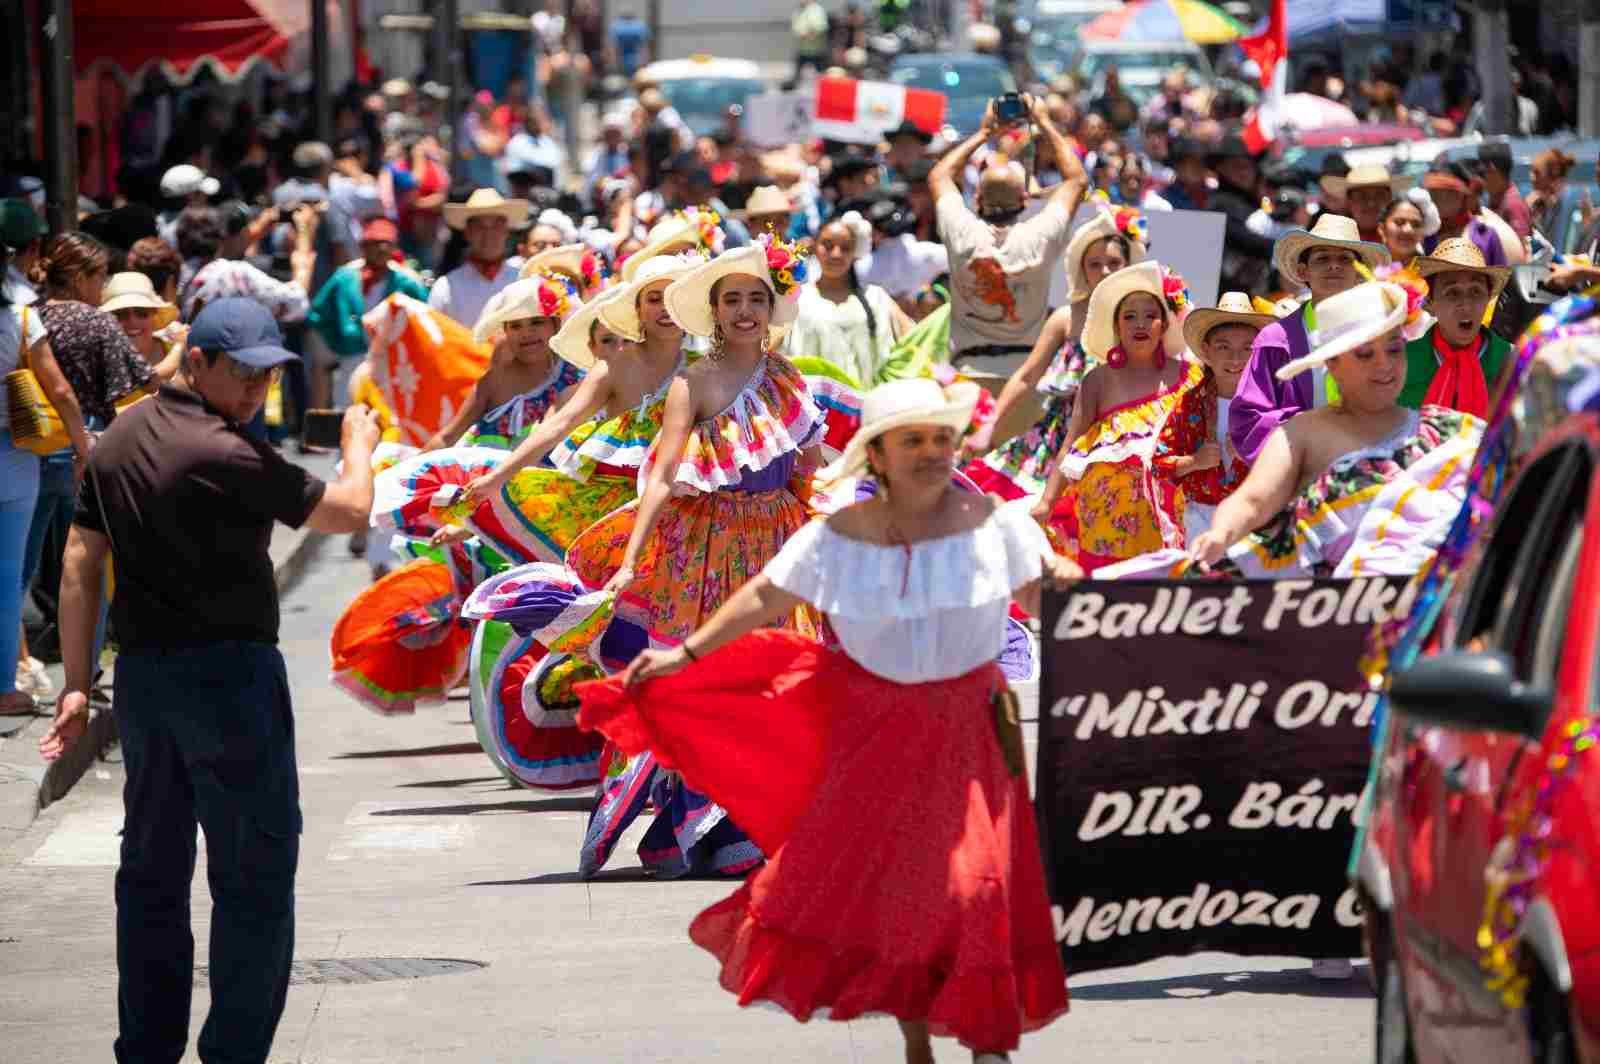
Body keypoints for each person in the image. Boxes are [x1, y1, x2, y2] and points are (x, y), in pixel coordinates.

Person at [577, 377, 1074, 1064]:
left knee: (976, 885)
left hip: (974, 733)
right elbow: (767, 595)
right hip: (875, 737)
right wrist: (685, 655)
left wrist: (1077, 589)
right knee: (906, 897)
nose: (931, 452)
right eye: (912, 440)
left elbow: (1043, 597)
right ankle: (918, 1041)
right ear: (878, 455)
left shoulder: (999, 523)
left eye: (941, 439)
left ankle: (988, 1044)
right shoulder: (836, 537)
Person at [38, 298, 381, 1063]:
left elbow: (80, 562)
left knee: (152, 876)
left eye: (268, 376)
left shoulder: (119, 439)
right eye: (243, 374)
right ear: (197, 362)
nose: (257, 391)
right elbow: (351, 510)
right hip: (229, 681)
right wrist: (358, 445)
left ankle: (147, 1048)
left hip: (147, 683)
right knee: (255, 878)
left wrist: (76, 682)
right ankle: (232, 1051)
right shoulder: (224, 451)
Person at [564, 242, 825, 878]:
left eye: (756, 298)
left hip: (776, 540)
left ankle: (755, 824)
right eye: (732, 300)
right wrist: (631, 558)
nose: (745, 310)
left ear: (772, 308)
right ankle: (704, 826)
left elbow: (808, 464)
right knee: (710, 680)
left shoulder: (787, 376)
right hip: (705, 549)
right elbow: (661, 476)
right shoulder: (693, 382)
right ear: (714, 311)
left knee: (778, 679)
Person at [1189, 281, 1482, 581]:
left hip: (1433, 598)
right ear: (1333, 363)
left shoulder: (1445, 433)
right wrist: (1220, 534)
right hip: (1337, 603)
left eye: (1394, 349)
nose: (1385, 365)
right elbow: (1253, 500)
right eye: (1365, 354)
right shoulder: (1301, 434)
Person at [964, 205, 1147, 501]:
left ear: (1127, 266)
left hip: (1115, 446)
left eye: (1113, 262)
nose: (1104, 271)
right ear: (1082, 270)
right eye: (1094, 264)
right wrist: (989, 425)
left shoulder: (1145, 323)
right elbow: (1027, 376)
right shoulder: (1066, 318)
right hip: (1053, 443)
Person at [1034, 261, 1197, 569]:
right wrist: (1046, 503)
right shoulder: (1097, 381)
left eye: (1150, 316)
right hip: (1101, 526)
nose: (1140, 324)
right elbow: (1070, 445)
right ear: (1117, 327)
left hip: (1170, 520)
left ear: (1164, 325)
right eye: (1129, 316)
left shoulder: (1191, 378)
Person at [930, 95, 1087, 374]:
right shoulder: (1039, 236)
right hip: (1025, 376)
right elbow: (1077, 181)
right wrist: (1044, 122)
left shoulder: (961, 231)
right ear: (1025, 200)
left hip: (969, 373)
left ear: (977, 198)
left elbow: (939, 176)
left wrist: (984, 133)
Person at [2, 236, 91, 715]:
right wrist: (82, 447)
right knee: (8, 574)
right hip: (13, 454)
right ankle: (4, 688)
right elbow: (58, 388)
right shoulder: (20, 316)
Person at [1229, 214, 1390, 465]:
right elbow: (1248, 421)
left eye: (1345, 259)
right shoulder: (1275, 339)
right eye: (1322, 258)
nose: (1334, 266)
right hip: (1300, 470)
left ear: (1360, 273)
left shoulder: (1382, 335)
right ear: (1303, 271)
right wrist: (1309, 427)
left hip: (1369, 471)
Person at [423, 273, 585, 452]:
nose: (526, 333)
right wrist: (407, 468)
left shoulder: (577, 376)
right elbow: (449, 436)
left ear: (556, 325)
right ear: (505, 332)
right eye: (515, 326)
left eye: (536, 322)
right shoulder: (494, 381)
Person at [1165, 293, 1273, 543]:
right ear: (1206, 350)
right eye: (1223, 347)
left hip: (1254, 520)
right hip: (1197, 522)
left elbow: (1293, 462)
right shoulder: (1189, 404)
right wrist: (1194, 461)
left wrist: (1252, 455)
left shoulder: (1272, 406)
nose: (1235, 359)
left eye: (1247, 349)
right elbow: (1159, 463)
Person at [782, 214, 914, 386]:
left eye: (845, 248)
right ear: (814, 247)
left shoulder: (875, 297)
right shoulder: (797, 299)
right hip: (817, 400)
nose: (836, 254)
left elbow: (912, 337)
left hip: (870, 399)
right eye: (828, 245)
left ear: (855, 253)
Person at [306, 218, 428, 381]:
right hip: (352, 359)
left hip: (393, 363)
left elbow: (425, 321)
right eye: (375, 243)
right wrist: (339, 344)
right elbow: (318, 316)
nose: (382, 249)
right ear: (363, 246)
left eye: (387, 243)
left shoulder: (407, 281)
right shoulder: (345, 277)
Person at [1400, 239, 1512, 415]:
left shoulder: (1511, 364)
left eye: (1475, 291)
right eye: (1452, 293)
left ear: (1488, 298)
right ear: (1430, 303)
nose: (1466, 306)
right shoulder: (1402, 364)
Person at [177, 205, 315, 323]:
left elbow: (229, 249)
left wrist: (262, 225)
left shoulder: (177, 272)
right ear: (221, 238)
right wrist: (304, 238)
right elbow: (296, 300)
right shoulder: (234, 274)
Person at [428, 189, 529, 328]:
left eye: (496, 226)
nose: (488, 234)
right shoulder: (446, 288)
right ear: (467, 233)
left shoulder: (523, 281)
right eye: (479, 227)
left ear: (507, 231)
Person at [1206, 136, 1276, 296]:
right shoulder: (1219, 203)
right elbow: (1243, 238)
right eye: (1237, 166)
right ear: (1221, 169)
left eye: (1248, 167)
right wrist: (1283, 247)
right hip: (1232, 292)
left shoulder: (1256, 200)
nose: (1245, 172)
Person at [100, 272, 184, 382]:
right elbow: (146, 381)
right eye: (120, 314)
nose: (132, 321)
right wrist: (179, 348)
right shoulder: (100, 361)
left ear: (154, 316)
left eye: (142, 313)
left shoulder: (174, 349)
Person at [1420, 164, 1507, 266]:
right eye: (1433, 193)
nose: (1439, 199)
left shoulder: (1485, 235)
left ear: (1463, 195)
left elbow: (1501, 273)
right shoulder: (1423, 235)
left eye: (1448, 193)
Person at [1320, 165, 1408, 245]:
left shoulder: (1407, 238)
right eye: (1361, 196)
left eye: (1379, 196)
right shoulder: (1331, 240)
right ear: (1348, 201)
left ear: (1390, 199)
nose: (1371, 203)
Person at [1479, 142, 1533, 241]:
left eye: (1482, 172)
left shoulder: (1513, 204)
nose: (1479, 178)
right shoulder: (1495, 201)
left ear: (1492, 170)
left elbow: (1521, 244)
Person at [1377, 190, 1439, 265]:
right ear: (1382, 229)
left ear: (1423, 234)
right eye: (1399, 222)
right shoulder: (1367, 267)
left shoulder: (1434, 271)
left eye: (1416, 225)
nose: (1408, 230)